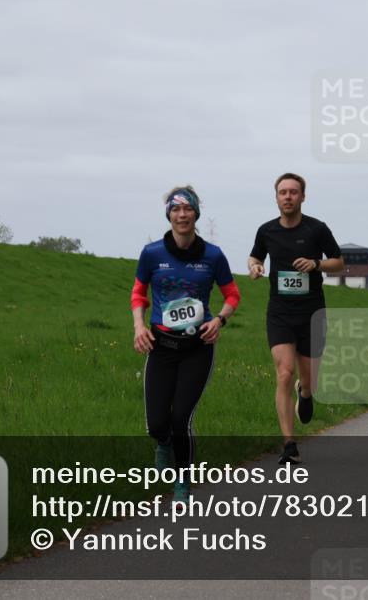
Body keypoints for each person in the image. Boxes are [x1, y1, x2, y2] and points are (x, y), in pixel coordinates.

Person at [132, 186, 240, 501]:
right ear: (169, 215)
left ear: (195, 214)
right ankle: (162, 443)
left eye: (187, 209)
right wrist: (139, 325)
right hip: (160, 345)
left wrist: (219, 320)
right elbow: (139, 292)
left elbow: (232, 294)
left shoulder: (213, 255)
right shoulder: (152, 253)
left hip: (197, 347)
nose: (182, 215)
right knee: (156, 424)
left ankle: (183, 482)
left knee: (181, 417)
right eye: (176, 210)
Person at [249, 173, 344, 464]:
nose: (287, 197)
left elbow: (339, 263)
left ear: (303, 196)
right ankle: (289, 444)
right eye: (282, 192)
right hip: (279, 313)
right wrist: (254, 267)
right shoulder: (266, 231)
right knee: (284, 373)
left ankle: (306, 393)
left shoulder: (317, 229)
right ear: (276, 197)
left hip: (312, 313)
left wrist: (316, 264)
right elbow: (255, 257)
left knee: (306, 378)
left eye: (293, 192)